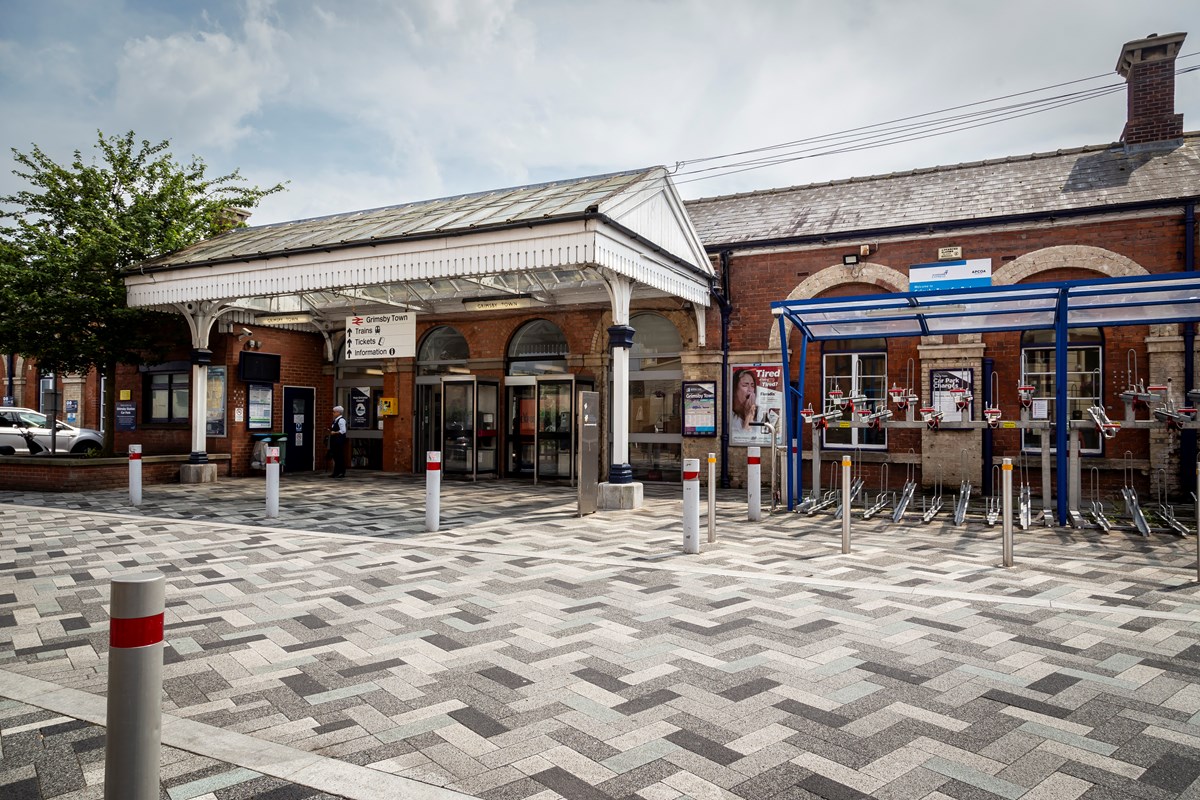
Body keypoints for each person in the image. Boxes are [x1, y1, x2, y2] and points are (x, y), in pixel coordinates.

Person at [731, 369, 759, 436]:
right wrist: (748, 415)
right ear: (735, 390)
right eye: (745, 385)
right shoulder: (730, 416)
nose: (750, 390)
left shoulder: (759, 413)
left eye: (752, 386)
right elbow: (744, 439)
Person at [328, 405, 348, 478]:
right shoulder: (335, 420)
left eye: (334, 412)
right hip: (334, 441)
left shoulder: (341, 420)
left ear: (338, 412)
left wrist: (335, 432)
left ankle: (341, 472)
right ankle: (336, 472)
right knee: (335, 457)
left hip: (339, 441)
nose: (333, 413)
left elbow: (343, 431)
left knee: (339, 456)